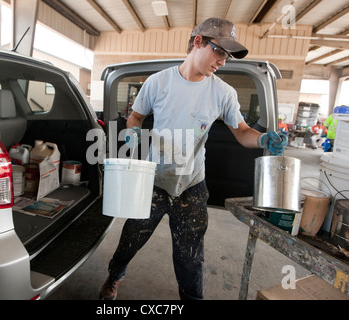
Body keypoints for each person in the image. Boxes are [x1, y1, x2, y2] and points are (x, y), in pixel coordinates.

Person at [99, 17, 288, 300]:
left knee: (191, 256)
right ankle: (114, 277)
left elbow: (242, 131)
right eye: (220, 51)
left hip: (192, 185)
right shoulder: (158, 83)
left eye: (228, 56)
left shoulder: (223, 92)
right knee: (130, 239)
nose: (223, 62)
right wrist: (132, 132)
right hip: (154, 181)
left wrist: (262, 139)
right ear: (198, 42)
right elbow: (135, 117)